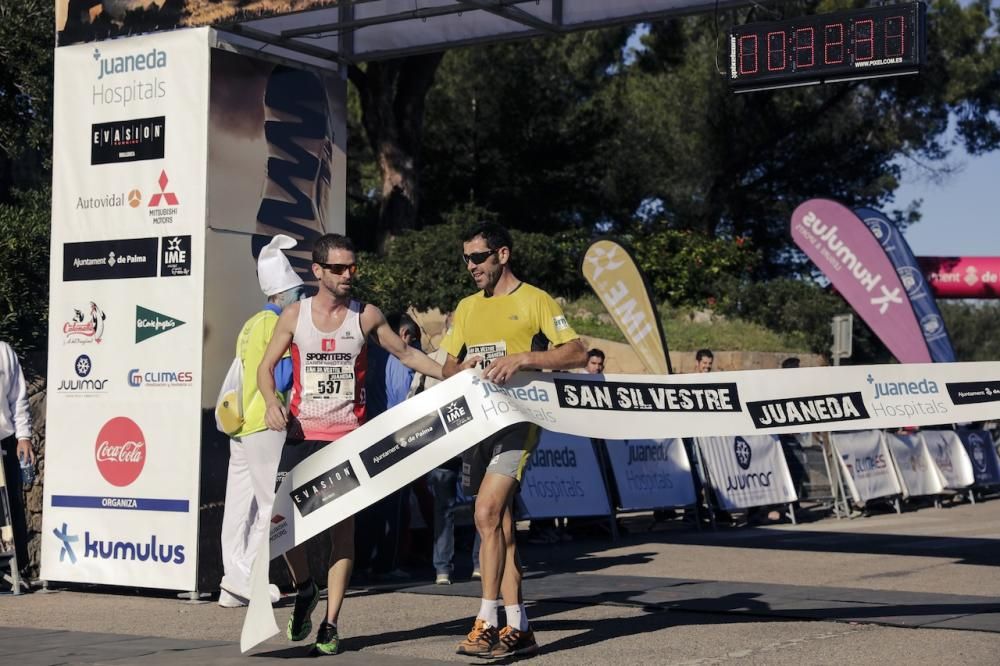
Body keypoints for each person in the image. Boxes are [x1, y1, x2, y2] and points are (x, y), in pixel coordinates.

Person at [257, 233, 477, 656]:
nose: (347, 275)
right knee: (281, 527)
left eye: (352, 267)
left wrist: (448, 375)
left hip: (347, 442)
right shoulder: (293, 315)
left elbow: (407, 354)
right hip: (302, 436)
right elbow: (267, 369)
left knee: (343, 533)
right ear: (317, 271)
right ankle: (305, 590)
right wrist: (271, 401)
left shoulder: (366, 315)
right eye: (338, 268)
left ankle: (331, 623)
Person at [442, 222, 587, 659]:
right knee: (499, 525)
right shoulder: (467, 307)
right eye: (467, 258)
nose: (472, 266)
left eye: (479, 257)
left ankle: (486, 621)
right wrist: (462, 369)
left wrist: (523, 357)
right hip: (477, 425)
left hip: (518, 423)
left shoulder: (535, 299)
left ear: (502, 255)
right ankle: (519, 624)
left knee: (486, 513)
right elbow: (447, 367)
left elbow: (576, 352)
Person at [218, 235, 304, 608]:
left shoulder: (250, 323)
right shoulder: (278, 324)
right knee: (273, 505)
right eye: (298, 294)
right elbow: (281, 376)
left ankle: (231, 582)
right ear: (283, 294)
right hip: (265, 424)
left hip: (238, 425)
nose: (301, 300)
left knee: (237, 508)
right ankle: (249, 578)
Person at [355, 312, 421, 582]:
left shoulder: (368, 355)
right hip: (395, 436)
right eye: (413, 339)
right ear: (403, 335)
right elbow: (405, 398)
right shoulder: (401, 360)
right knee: (394, 507)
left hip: (366, 434)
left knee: (368, 506)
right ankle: (387, 563)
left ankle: (361, 562)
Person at [0, 339, 35, 577]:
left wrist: (24, 436)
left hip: (3, 437)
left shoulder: (4, 351)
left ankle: (12, 570)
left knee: (7, 508)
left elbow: (18, 397)